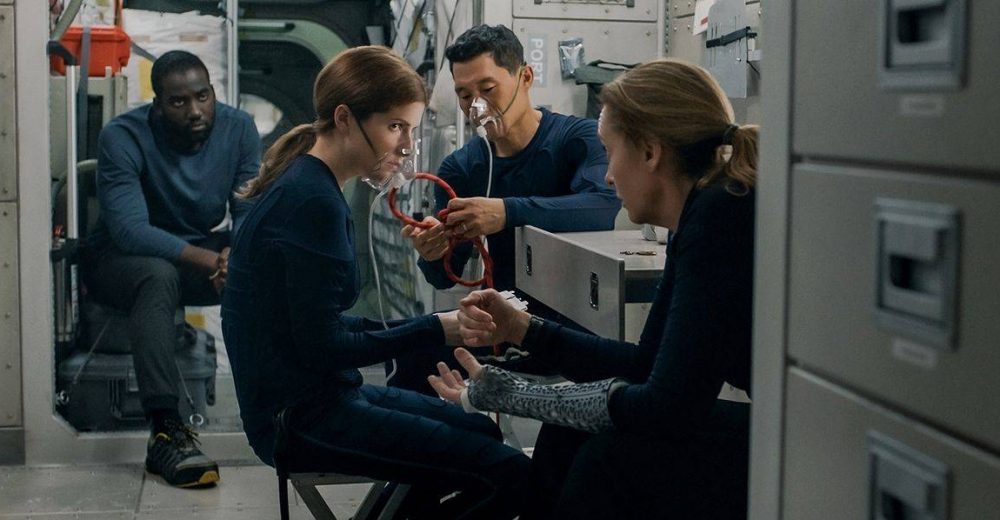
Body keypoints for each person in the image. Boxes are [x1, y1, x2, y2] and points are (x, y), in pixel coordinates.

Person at [428, 58, 757, 519]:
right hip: (766, 428)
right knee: (571, 432)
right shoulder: (704, 214)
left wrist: (515, 395)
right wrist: (524, 329)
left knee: (608, 460)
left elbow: (665, 407)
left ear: (650, 152)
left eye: (610, 151)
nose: (607, 176)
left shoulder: (720, 217)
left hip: (803, 443)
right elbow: (645, 365)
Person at [220, 46, 530, 519]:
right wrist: (436, 328)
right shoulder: (312, 201)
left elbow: (320, 325)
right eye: (396, 127)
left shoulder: (310, 184)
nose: (406, 146)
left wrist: (440, 324)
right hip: (298, 419)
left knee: (482, 431)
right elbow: (325, 346)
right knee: (509, 472)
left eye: (411, 130)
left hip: (319, 397)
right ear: (345, 119)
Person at [391, 24, 621, 392]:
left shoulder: (575, 139)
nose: (476, 106)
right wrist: (433, 254)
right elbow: (446, 276)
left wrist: (505, 213)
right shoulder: (462, 168)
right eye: (464, 95)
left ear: (525, 77)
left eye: (487, 89)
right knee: (411, 350)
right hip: (502, 323)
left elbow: (602, 206)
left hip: (574, 326)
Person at [83, 50, 261, 488]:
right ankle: (166, 431)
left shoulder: (239, 128)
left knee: (264, 260)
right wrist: (214, 260)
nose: (195, 111)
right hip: (119, 262)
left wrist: (235, 257)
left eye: (202, 97)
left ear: (213, 93)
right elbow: (130, 231)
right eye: (179, 101)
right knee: (157, 275)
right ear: (158, 105)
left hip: (195, 254)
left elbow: (247, 211)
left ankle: (281, 402)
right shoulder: (123, 136)